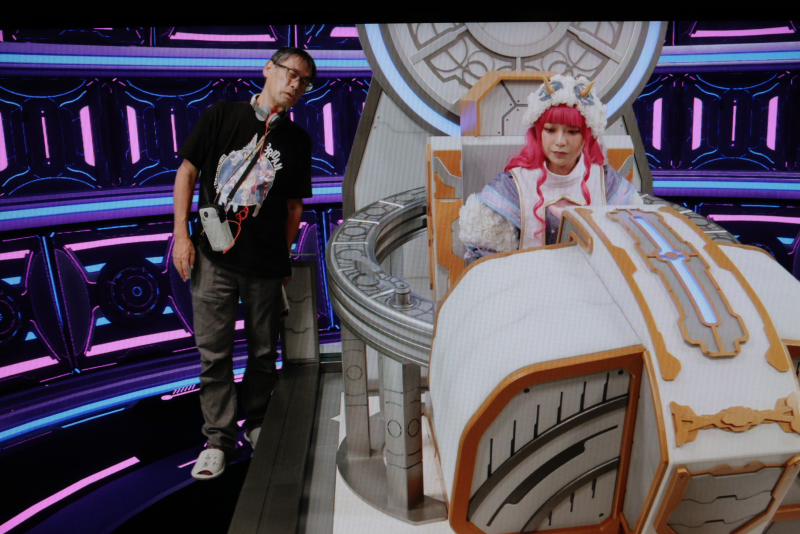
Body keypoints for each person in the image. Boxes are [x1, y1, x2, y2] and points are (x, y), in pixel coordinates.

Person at [172, 47, 316, 480]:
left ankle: (257, 422)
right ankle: (218, 438)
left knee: (263, 352)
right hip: (213, 258)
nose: (295, 85)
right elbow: (187, 173)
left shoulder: (297, 140)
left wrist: (282, 257)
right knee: (213, 354)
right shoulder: (221, 115)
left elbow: (294, 207)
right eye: (290, 74)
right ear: (269, 69)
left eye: (304, 82)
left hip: (265, 265)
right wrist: (181, 236)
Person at [459, 74, 642, 262]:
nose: (560, 141)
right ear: (537, 132)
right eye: (550, 130)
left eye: (572, 132)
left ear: (587, 135)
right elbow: (485, 263)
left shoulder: (607, 185)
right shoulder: (513, 187)